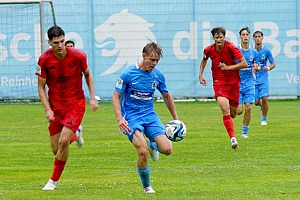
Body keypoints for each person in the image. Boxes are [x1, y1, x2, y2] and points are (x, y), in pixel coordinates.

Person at [36, 26, 99, 190]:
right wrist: (47, 109)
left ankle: (52, 182)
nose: (60, 45)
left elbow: (88, 74)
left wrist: (92, 98)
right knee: (56, 149)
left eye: (62, 41)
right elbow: (41, 87)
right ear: (49, 42)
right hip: (56, 107)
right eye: (56, 42)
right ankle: (76, 133)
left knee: (63, 141)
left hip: (75, 104)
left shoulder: (79, 56)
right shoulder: (44, 60)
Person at [112, 42, 179, 193]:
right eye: (151, 60)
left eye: (157, 61)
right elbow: (115, 97)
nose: (154, 64)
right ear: (143, 56)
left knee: (167, 149)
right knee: (142, 151)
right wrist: (120, 119)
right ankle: (147, 186)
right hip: (131, 117)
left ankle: (153, 145)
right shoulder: (128, 74)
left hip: (150, 116)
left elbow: (166, 95)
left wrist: (176, 118)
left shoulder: (158, 75)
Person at [198, 26, 247, 149]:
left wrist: (228, 67)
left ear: (224, 37)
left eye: (220, 37)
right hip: (219, 82)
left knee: (235, 113)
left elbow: (244, 63)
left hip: (234, 82)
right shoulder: (209, 50)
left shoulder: (231, 48)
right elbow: (204, 60)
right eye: (216, 37)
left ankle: (232, 118)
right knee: (225, 110)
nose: (218, 39)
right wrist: (200, 75)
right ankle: (233, 138)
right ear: (213, 38)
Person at [236, 27, 260, 138]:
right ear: (240, 36)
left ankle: (244, 132)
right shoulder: (236, 51)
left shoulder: (254, 51)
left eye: (247, 34)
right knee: (239, 111)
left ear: (250, 37)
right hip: (238, 84)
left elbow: (257, 65)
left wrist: (257, 67)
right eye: (243, 34)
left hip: (250, 83)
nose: (245, 36)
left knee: (249, 107)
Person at [253, 31, 276, 125]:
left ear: (262, 38)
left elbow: (273, 63)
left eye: (259, 36)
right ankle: (262, 106)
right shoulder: (251, 50)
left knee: (265, 98)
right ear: (253, 38)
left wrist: (269, 68)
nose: (258, 38)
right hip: (253, 79)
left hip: (263, 79)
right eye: (256, 37)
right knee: (255, 102)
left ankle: (264, 119)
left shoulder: (266, 51)